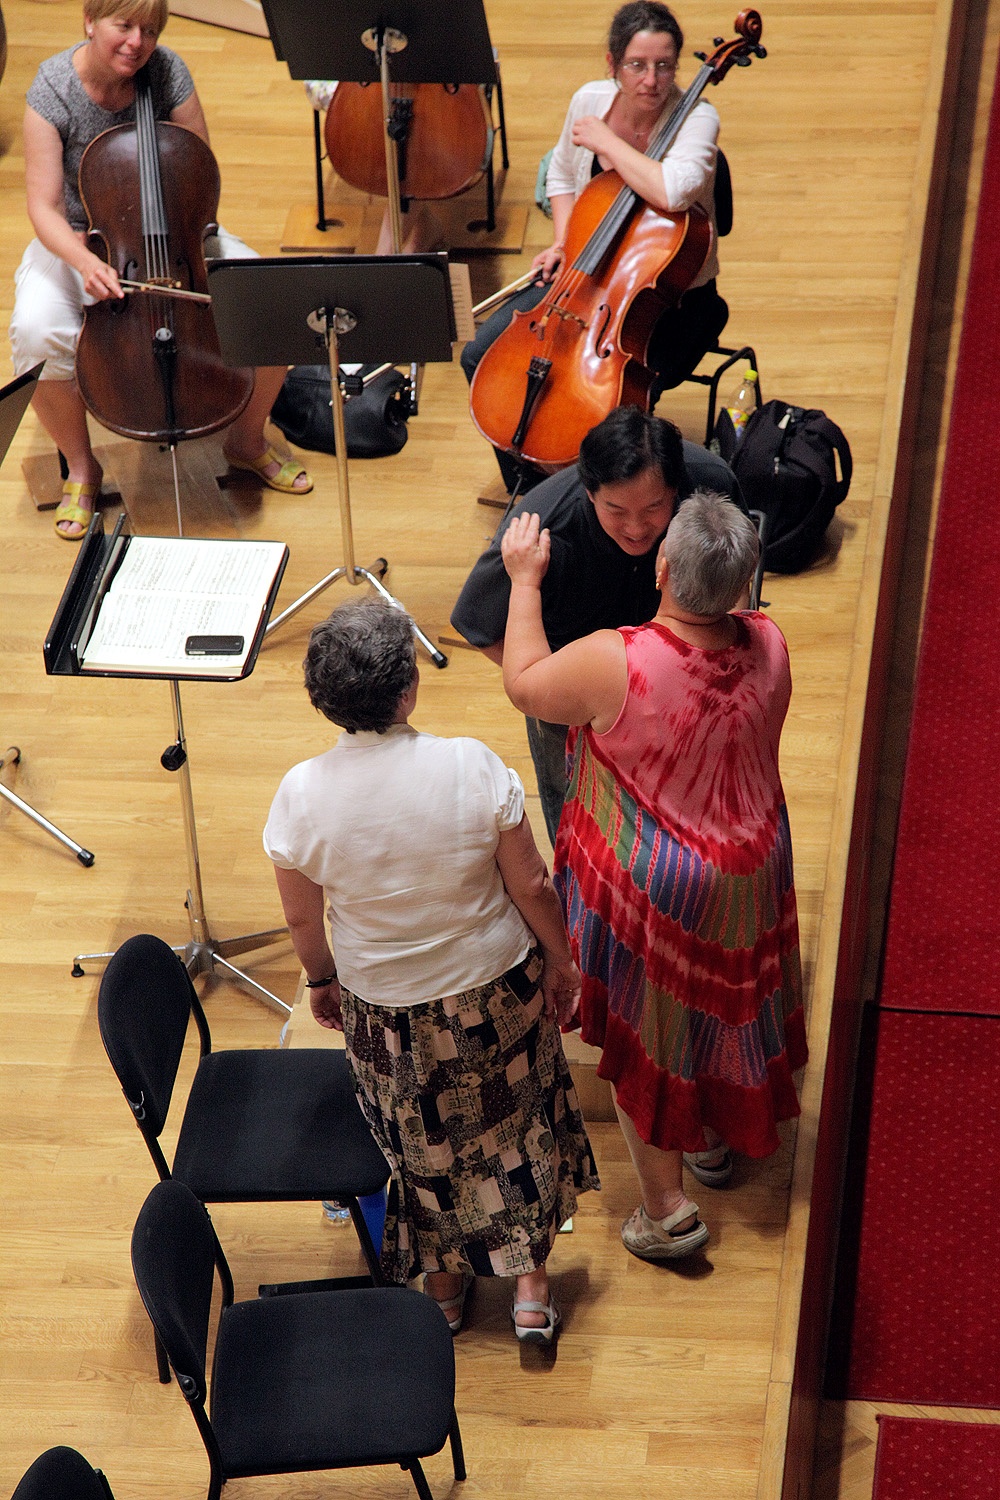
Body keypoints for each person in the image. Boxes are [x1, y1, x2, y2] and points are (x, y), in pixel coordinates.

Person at [263, 596, 599, 1344]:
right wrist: (562, 959)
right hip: (494, 990)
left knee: (426, 1144)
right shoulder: (469, 765)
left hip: (385, 1009)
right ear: (408, 690)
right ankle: (530, 1286)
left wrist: (321, 980)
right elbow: (533, 886)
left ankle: (444, 1285)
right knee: (515, 1129)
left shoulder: (301, 795)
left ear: (323, 699)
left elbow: (301, 919)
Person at [499, 491, 807, 1259]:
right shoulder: (771, 642)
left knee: (655, 1035)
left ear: (662, 568)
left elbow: (525, 682)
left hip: (656, 880)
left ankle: (667, 1211)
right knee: (717, 1010)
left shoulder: (620, 660)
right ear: (742, 584)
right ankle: (708, 1141)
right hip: (753, 864)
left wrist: (525, 579)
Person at [10, 0, 312, 540]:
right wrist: (82, 260)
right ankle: (81, 467)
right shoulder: (53, 88)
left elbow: (198, 171)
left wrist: (185, 237)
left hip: (176, 237)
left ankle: (245, 441)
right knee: (36, 331)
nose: (136, 42)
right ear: (90, 21)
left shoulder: (168, 71)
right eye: (122, 26)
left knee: (271, 303)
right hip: (82, 239)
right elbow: (43, 208)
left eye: (148, 30)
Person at [461, 0, 728, 495]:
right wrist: (564, 241)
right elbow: (562, 175)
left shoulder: (698, 118)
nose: (651, 80)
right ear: (612, 65)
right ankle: (531, 490)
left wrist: (608, 142)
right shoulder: (589, 100)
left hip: (670, 301)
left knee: (605, 411)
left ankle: (599, 502)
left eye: (664, 65)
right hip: (582, 280)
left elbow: (673, 190)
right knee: (481, 355)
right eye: (637, 65)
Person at [451, 405, 746, 844]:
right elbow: (478, 624)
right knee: (574, 810)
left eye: (654, 508)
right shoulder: (541, 528)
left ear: (676, 489)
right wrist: (559, 688)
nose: (636, 528)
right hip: (576, 707)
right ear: (589, 491)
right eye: (616, 510)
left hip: (680, 683)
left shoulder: (710, 484)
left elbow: (737, 576)